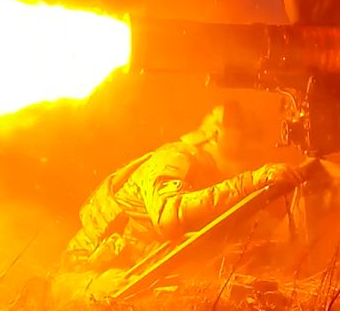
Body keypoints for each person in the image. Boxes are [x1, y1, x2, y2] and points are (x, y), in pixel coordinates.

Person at [57, 102, 306, 294]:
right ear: (216, 135)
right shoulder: (175, 157)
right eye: (243, 145)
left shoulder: (208, 177)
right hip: (85, 280)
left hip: (126, 279)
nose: (249, 155)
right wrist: (249, 181)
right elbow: (170, 215)